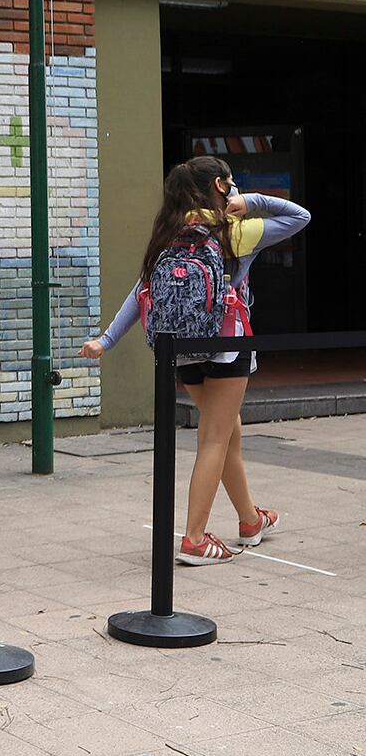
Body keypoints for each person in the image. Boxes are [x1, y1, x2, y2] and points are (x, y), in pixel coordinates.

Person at [81, 156, 310, 565]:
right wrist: (248, 201)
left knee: (227, 431)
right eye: (231, 182)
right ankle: (195, 539)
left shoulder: (168, 235)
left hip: (182, 348)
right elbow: (298, 216)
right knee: (215, 438)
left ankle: (249, 521)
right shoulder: (233, 232)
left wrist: (106, 340)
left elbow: (141, 292)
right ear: (220, 186)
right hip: (225, 345)